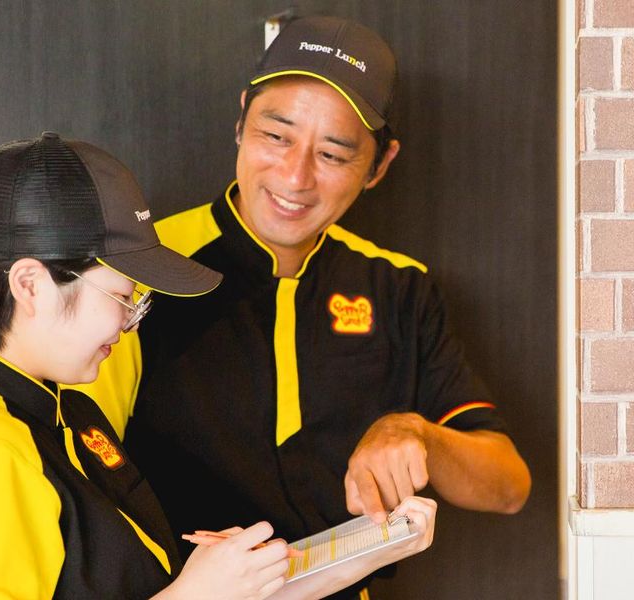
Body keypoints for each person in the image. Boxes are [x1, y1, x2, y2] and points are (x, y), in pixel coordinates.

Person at [87, 15, 531, 599]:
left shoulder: (398, 287)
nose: (295, 177)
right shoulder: (143, 269)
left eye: (333, 154)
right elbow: (70, 468)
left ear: (379, 165)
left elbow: (507, 487)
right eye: (277, 136)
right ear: (242, 120)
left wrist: (418, 434)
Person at [0, 132, 436, 599]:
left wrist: (369, 546)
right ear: (30, 285)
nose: (129, 323)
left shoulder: (63, 413)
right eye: (122, 297)